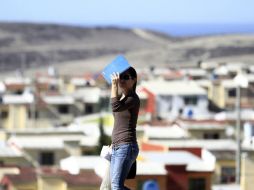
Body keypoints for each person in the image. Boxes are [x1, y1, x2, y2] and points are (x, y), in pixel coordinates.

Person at [110, 67, 140, 190]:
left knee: (116, 186)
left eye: (126, 77)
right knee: (115, 186)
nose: (122, 80)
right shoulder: (123, 99)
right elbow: (115, 107)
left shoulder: (133, 98)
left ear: (134, 80)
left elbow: (115, 106)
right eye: (120, 77)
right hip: (118, 147)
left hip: (126, 146)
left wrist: (114, 85)